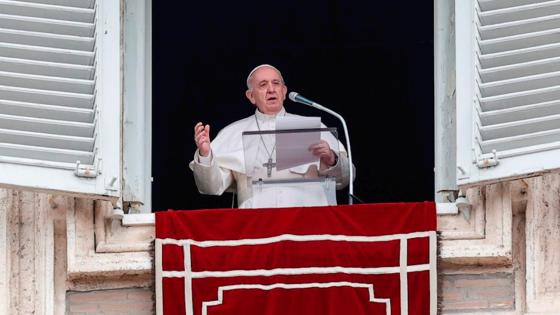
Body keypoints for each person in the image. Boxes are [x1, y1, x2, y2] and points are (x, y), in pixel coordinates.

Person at [190, 64, 353, 208]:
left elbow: (345, 180)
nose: (271, 89)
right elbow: (211, 187)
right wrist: (205, 155)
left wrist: (332, 159)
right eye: (263, 85)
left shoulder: (312, 128)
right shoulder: (233, 132)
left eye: (276, 83)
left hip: (307, 226)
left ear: (284, 91)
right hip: (258, 229)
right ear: (251, 96)